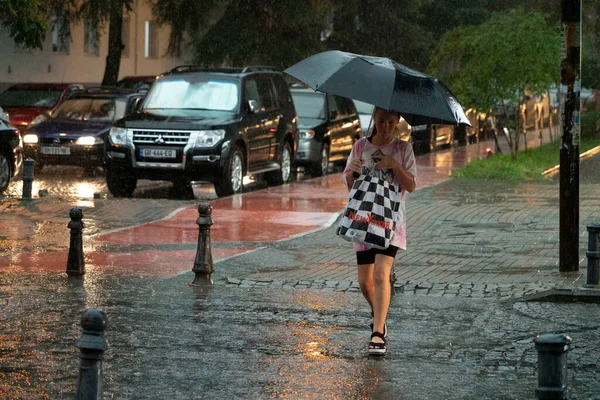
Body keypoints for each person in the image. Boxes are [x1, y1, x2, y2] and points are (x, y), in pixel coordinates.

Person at [343, 106, 417, 355]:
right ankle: (380, 319)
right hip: (363, 220)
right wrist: (352, 172)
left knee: (380, 274)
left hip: (390, 221)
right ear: (374, 118)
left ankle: (377, 334)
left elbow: (412, 185)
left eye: (390, 122)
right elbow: (350, 185)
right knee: (365, 283)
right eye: (381, 121)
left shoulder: (403, 149)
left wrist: (394, 164)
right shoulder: (360, 146)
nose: (385, 127)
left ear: (397, 122)